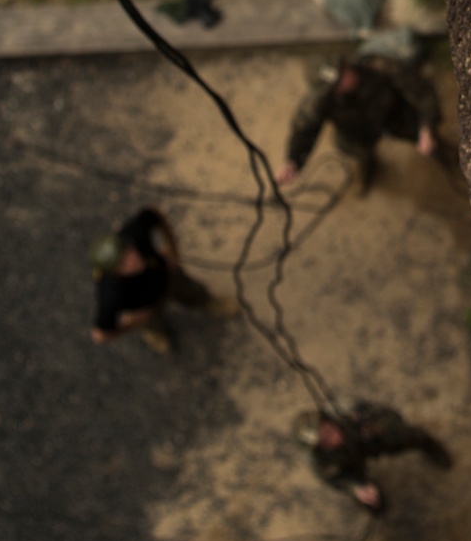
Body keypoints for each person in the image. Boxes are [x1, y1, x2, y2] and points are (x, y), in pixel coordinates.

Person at [275, 54, 443, 189]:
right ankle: (367, 165)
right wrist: (293, 160)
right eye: (337, 84)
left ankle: (443, 154)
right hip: (356, 132)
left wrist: (426, 127)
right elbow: (303, 129)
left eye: (343, 74)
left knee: (431, 142)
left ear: (346, 64)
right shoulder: (319, 101)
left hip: (395, 116)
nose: (345, 82)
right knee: (355, 150)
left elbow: (423, 92)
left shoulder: (378, 65)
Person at [89, 206, 234, 351]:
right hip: (148, 307)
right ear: (113, 272)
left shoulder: (135, 234)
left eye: (127, 251)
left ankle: (207, 302)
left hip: (169, 276)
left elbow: (153, 213)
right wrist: (134, 323)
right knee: (153, 324)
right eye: (121, 264)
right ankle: (156, 334)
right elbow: (100, 335)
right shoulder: (111, 295)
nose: (131, 260)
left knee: (193, 291)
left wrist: (172, 248)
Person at [293, 402, 453, 512]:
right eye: (326, 442)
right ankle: (379, 505)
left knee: (403, 435)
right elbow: (337, 481)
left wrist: (375, 428)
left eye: (329, 431)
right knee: (369, 501)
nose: (334, 439)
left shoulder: (347, 409)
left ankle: (427, 444)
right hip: (348, 463)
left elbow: (393, 415)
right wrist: (356, 488)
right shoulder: (318, 461)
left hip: (368, 440)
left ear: (328, 420)